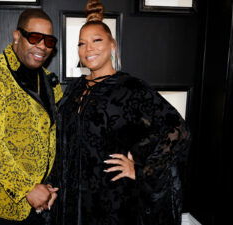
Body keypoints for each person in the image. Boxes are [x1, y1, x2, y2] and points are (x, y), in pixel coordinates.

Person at [52, 0, 191, 224]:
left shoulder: (131, 88)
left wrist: (141, 169)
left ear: (112, 45)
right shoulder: (74, 89)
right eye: (81, 43)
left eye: (97, 40)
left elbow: (177, 130)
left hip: (111, 201)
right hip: (72, 201)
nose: (88, 49)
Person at [0, 9, 62, 225]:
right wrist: (26, 188)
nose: (42, 46)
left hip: (41, 205)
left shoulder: (50, 82)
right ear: (17, 36)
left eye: (49, 41)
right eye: (35, 37)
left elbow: (51, 139)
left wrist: (48, 187)